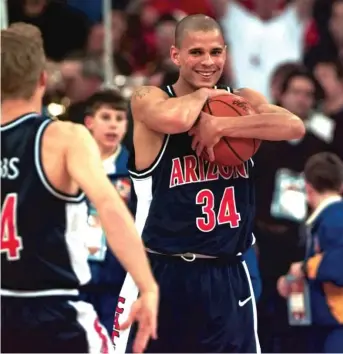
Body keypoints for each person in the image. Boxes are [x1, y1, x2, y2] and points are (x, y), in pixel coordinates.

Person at [114, 14, 305, 353]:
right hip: (161, 271)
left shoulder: (241, 97)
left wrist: (224, 127)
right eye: (196, 52)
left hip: (228, 272)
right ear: (175, 56)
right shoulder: (148, 97)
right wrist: (207, 98)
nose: (208, 61)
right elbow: (175, 119)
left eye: (216, 52)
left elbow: (293, 126)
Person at [1, 23, 158, 354]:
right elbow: (110, 206)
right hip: (53, 310)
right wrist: (148, 287)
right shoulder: (64, 138)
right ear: (43, 80)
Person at [278, 152, 343, 354]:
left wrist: (304, 268)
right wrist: (293, 278)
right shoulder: (325, 219)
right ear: (341, 185)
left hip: (338, 326)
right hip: (327, 325)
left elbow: (339, 264)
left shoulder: (335, 219)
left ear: (307, 188)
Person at [81, 89, 131, 337]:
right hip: (77, 275)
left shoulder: (135, 170)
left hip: (117, 279)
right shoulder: (73, 164)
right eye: (106, 117)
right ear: (89, 122)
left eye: (120, 118)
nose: (113, 125)